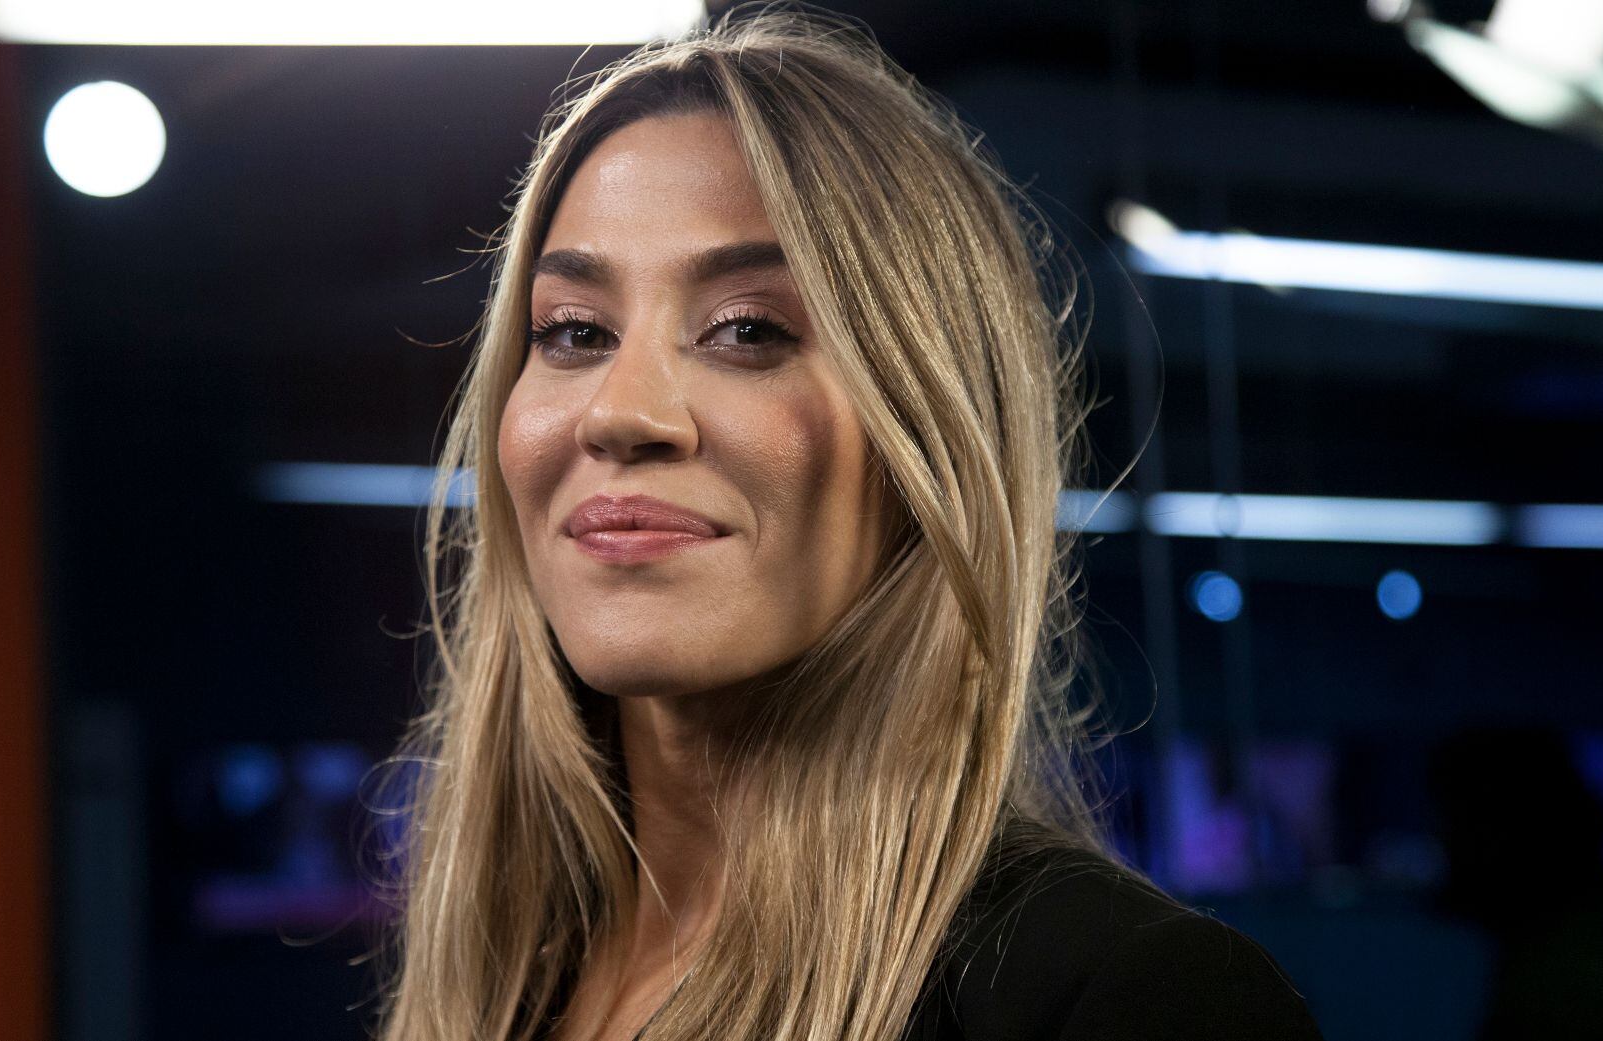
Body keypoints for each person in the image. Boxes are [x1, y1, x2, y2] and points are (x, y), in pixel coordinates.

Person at [368, 5, 1325, 1040]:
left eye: (747, 329)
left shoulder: (1132, 1000)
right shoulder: (500, 984)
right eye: (572, 332)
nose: (619, 411)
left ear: (929, 437)